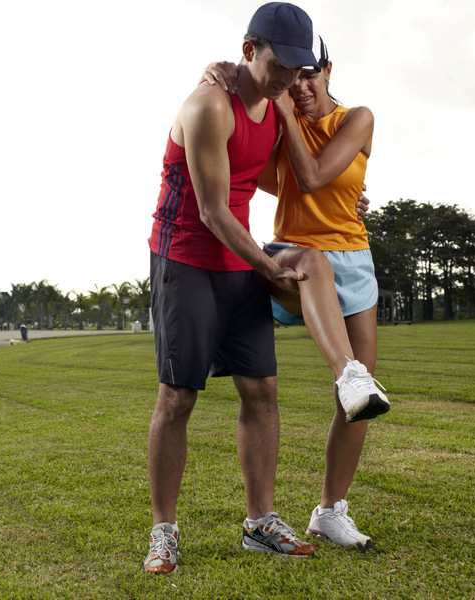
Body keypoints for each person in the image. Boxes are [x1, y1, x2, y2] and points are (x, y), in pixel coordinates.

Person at [144, 3, 321, 575]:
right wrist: (270, 270)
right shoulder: (206, 106)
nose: (291, 80)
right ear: (249, 50)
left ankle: (260, 523)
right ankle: (163, 532)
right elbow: (215, 212)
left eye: (300, 69)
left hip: (239, 261)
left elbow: (286, 179)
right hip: (188, 258)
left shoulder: (276, 104)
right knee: (179, 397)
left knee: (261, 392)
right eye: (281, 66)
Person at [201, 33, 387, 549]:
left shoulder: (358, 119)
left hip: (354, 258)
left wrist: (348, 197)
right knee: (323, 374)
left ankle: (329, 512)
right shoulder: (281, 121)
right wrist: (219, 76)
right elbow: (284, 180)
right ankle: (261, 515)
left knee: (359, 400)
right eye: (292, 76)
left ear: (329, 70)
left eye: (310, 74)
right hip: (293, 253)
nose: (299, 86)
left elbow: (316, 175)